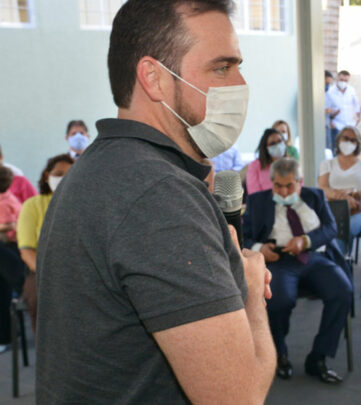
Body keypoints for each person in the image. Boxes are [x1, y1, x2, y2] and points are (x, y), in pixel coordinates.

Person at [35, 1, 276, 402]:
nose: (240, 83)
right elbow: (238, 398)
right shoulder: (158, 195)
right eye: (221, 67)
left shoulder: (100, 169)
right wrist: (250, 293)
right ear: (154, 78)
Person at [243, 158, 352, 384]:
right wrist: (259, 248)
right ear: (271, 183)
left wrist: (306, 241)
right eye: (278, 186)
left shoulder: (315, 196)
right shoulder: (256, 201)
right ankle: (279, 353)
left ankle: (318, 357)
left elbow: (331, 228)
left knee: (342, 291)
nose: (283, 192)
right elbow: (243, 235)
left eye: (289, 186)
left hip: (314, 256)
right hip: (278, 260)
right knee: (279, 300)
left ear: (300, 182)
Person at [16, 153, 74, 333]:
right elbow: (26, 251)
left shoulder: (81, 204)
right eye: (58, 173)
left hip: (78, 271)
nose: (62, 179)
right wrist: (50, 275)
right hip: (40, 273)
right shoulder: (32, 206)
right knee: (42, 299)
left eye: (69, 174)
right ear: (46, 176)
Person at [318, 126, 361, 254]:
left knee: (344, 227)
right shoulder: (328, 164)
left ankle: (340, 264)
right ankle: (339, 265)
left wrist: (354, 192)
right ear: (338, 140)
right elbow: (322, 188)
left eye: (353, 140)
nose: (349, 142)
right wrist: (342, 197)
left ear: (358, 144)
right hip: (333, 210)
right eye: (345, 138)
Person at [0, 166, 23, 353]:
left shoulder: (6, 202)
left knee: (4, 294)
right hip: (10, 251)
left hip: (9, 250)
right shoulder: (9, 198)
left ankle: (7, 336)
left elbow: (9, 228)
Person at [247, 128, 294, 195]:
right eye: (272, 143)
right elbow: (254, 195)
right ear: (266, 148)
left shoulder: (292, 164)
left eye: (280, 141)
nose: (277, 145)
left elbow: (299, 188)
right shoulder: (255, 166)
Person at [325, 70, 360, 152]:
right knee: (337, 149)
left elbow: (356, 104)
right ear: (337, 78)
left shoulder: (351, 90)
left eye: (346, 80)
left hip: (349, 124)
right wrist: (330, 121)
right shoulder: (330, 91)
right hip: (336, 125)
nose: (343, 82)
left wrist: (358, 116)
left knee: (350, 149)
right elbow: (326, 108)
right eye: (341, 80)